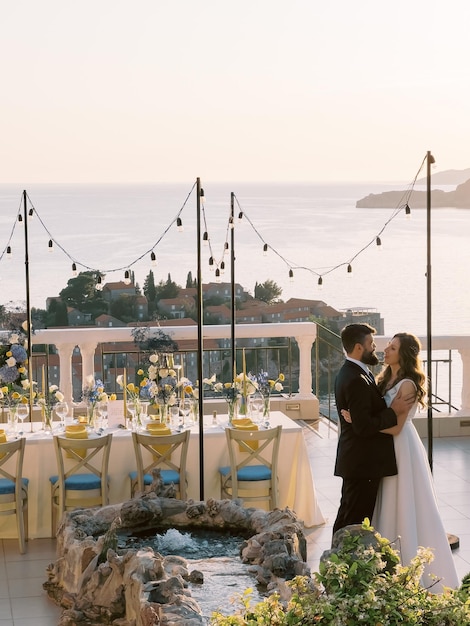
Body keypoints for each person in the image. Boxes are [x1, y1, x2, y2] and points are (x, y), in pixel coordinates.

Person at [342, 332, 459, 592]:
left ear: (403, 353)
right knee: (385, 504)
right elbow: (379, 414)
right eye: (387, 346)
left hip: (399, 449)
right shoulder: (382, 379)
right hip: (382, 450)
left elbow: (395, 428)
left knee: (402, 502)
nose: (385, 350)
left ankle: (409, 571)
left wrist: (359, 423)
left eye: (392, 347)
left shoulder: (407, 385)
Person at [332, 323, 414, 537]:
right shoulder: (355, 379)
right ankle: (340, 565)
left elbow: (362, 420)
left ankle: (337, 564)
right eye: (371, 344)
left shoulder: (359, 372)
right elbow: (364, 426)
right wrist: (393, 410)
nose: (375, 348)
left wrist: (360, 420)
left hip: (360, 462)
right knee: (353, 522)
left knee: (349, 517)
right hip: (361, 464)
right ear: (359, 348)